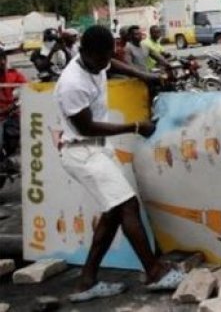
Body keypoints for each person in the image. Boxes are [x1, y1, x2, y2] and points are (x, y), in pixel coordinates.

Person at [55, 26, 183, 301]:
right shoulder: (71, 84)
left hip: (96, 149)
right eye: (101, 58)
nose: (105, 63)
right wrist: (136, 126)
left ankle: (86, 282)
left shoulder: (97, 60)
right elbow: (87, 128)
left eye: (108, 56)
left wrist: (144, 74)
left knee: (113, 213)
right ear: (86, 53)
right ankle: (154, 272)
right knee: (127, 205)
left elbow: (110, 63)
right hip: (82, 151)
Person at [0, 51, 27, 162]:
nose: (1, 62)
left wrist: (15, 105)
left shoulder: (14, 74)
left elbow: (28, 90)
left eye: (3, 59)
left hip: (12, 114)